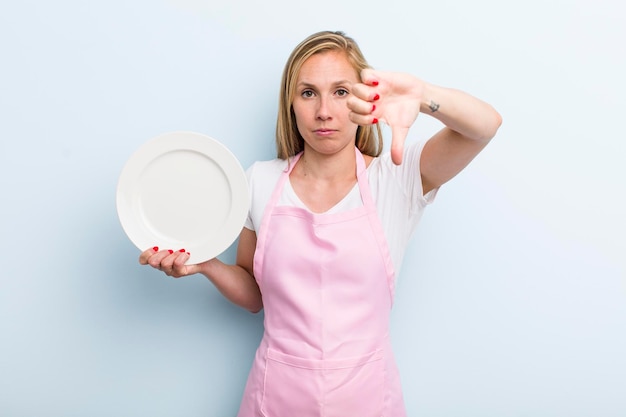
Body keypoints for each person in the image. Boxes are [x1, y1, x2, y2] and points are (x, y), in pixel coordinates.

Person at [139, 30, 501, 416]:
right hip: (275, 397)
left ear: (365, 99)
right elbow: (254, 296)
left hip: (367, 399)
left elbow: (484, 127)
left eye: (341, 92)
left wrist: (423, 95)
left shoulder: (397, 179)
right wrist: (206, 264)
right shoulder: (259, 181)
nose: (324, 111)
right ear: (291, 104)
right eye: (308, 92)